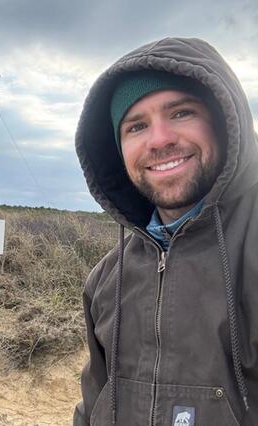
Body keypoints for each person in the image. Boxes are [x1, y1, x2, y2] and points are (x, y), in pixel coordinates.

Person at [74, 37, 258, 425]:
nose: (159, 140)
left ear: (224, 122)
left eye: (181, 113)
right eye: (136, 126)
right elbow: (93, 407)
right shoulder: (106, 280)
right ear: (118, 150)